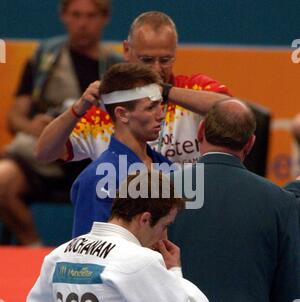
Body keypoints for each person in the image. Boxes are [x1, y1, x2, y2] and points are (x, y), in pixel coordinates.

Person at [159, 99, 300, 302]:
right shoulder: (280, 203)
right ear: (250, 143)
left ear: (200, 133)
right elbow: (291, 294)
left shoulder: (161, 191)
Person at [19, 171, 210, 302]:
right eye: (164, 225)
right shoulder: (140, 260)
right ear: (145, 219)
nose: (164, 236)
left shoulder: (60, 255)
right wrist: (174, 273)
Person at [35, 11, 230, 165]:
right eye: (146, 60)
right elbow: (43, 153)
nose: (156, 68)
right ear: (127, 51)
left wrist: (165, 91)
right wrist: (78, 108)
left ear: (175, 53)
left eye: (165, 60)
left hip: (187, 210)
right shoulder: (104, 110)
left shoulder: (195, 88)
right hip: (122, 213)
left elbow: (231, 111)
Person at [0, 0, 121, 246]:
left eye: (90, 16)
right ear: (63, 16)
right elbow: (15, 117)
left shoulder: (117, 67)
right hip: (46, 158)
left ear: (104, 18)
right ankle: (32, 247)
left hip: (95, 158)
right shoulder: (44, 57)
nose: (82, 23)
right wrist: (34, 127)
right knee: (2, 179)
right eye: (76, 15)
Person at [71, 62, 177, 237]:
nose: (161, 115)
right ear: (122, 114)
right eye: (151, 107)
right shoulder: (97, 179)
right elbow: (88, 257)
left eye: (160, 105)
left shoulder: (167, 167)